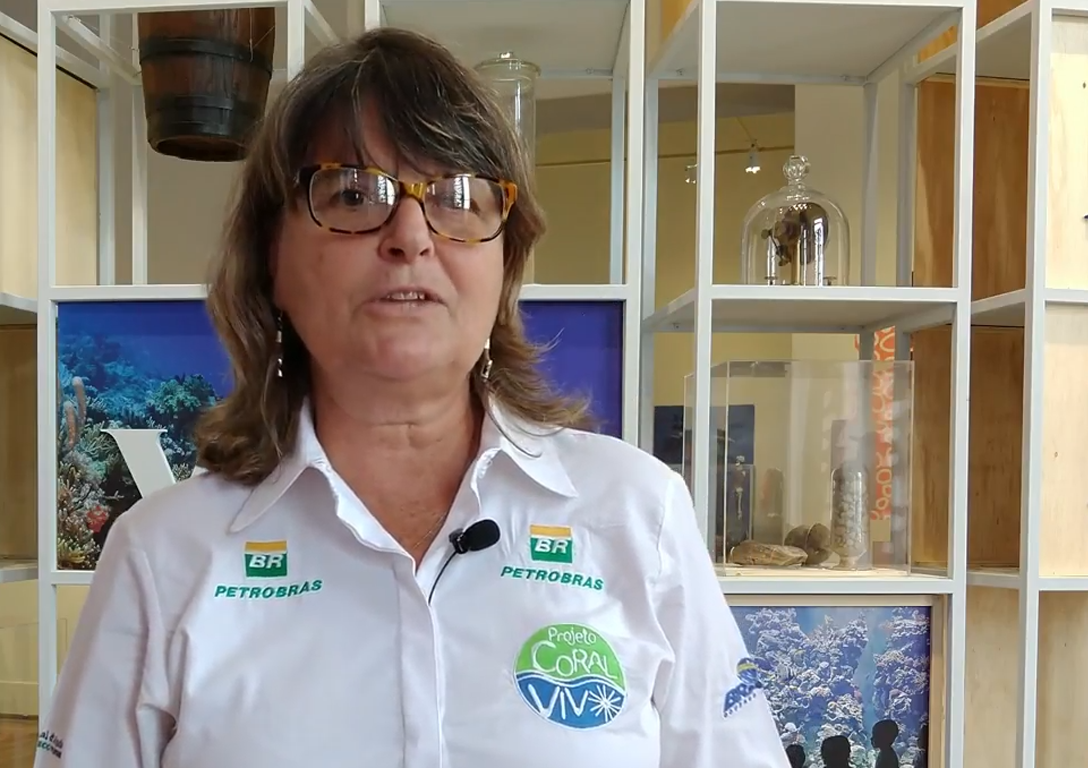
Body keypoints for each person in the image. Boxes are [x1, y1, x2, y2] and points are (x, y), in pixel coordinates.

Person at [33, 26, 791, 768]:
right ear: (272, 259)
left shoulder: (638, 515)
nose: (411, 235)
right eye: (353, 192)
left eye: (459, 196)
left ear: (505, 264)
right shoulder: (161, 555)